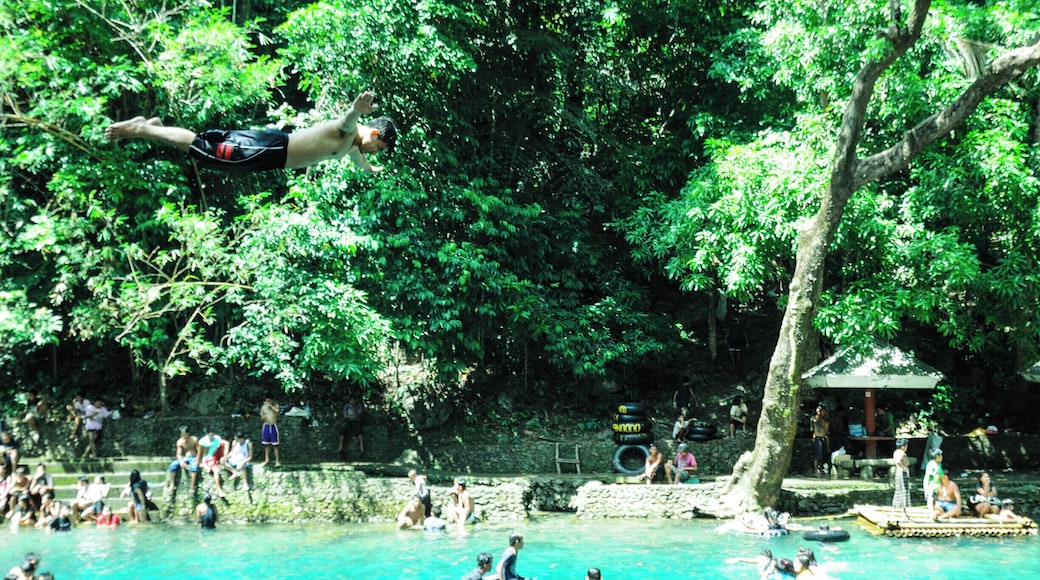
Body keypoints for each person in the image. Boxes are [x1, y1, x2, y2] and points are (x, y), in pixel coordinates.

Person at [105, 91, 398, 174]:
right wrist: (357, 108)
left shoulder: (352, 148)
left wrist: (371, 166)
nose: (376, 151)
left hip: (269, 155)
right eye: (380, 147)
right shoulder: (346, 133)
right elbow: (348, 120)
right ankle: (142, 128)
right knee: (205, 150)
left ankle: (155, 128)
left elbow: (359, 161)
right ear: (373, 133)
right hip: (270, 149)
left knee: (208, 154)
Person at [166, 425, 200, 493]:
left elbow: (199, 451)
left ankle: (192, 486)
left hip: (194, 457)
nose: (184, 436)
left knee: (194, 467)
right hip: (185, 458)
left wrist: (198, 460)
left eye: (185, 434)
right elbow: (178, 454)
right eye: (182, 434)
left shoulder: (194, 439)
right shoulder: (179, 442)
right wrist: (181, 461)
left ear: (188, 433)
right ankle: (172, 484)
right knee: (172, 465)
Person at [198, 427, 229, 499]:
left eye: (213, 435)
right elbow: (200, 453)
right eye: (210, 435)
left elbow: (226, 443)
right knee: (216, 470)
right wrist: (201, 463)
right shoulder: (203, 441)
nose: (212, 437)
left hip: (216, 455)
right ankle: (219, 489)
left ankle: (223, 459)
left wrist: (225, 455)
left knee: (223, 444)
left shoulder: (217, 438)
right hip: (208, 458)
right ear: (207, 434)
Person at [891, 438, 911, 520]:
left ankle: (894, 512)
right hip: (902, 473)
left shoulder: (896, 452)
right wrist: (903, 468)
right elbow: (899, 461)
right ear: (903, 446)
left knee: (898, 491)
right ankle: (903, 514)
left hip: (898, 473)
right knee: (903, 492)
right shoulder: (902, 453)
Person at [260, 395, 281, 468]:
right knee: (266, 444)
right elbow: (261, 418)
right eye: (267, 401)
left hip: (273, 426)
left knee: (275, 445)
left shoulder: (275, 406)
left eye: (269, 401)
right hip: (266, 426)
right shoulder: (263, 407)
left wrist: (271, 407)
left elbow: (277, 411)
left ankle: (277, 461)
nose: (268, 402)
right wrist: (264, 417)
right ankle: (267, 459)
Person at [922, 448, 944, 514]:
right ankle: (931, 512)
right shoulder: (931, 464)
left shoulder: (939, 464)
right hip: (931, 486)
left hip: (938, 486)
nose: (942, 457)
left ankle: (935, 512)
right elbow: (927, 477)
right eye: (940, 455)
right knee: (930, 499)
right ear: (937, 456)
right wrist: (926, 488)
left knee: (936, 501)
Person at [810, 406, 829, 475]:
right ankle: (815, 470)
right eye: (823, 411)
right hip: (817, 437)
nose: (824, 413)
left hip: (823, 437)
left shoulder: (823, 419)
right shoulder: (815, 418)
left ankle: (821, 469)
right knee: (817, 455)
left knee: (822, 454)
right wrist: (818, 413)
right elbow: (814, 421)